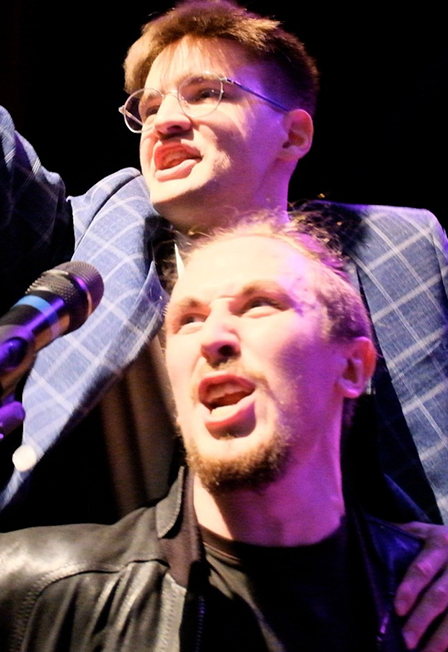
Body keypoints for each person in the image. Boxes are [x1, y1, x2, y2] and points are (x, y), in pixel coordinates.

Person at [1, 0, 448, 649]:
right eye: (148, 106)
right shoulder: (89, 236)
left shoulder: (396, 251)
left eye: (206, 92)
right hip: (111, 616)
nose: (165, 120)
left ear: (293, 134)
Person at [0, 215, 429, 651]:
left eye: (259, 304)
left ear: (353, 367)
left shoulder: (427, 599)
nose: (212, 337)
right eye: (189, 319)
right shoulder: (36, 592)